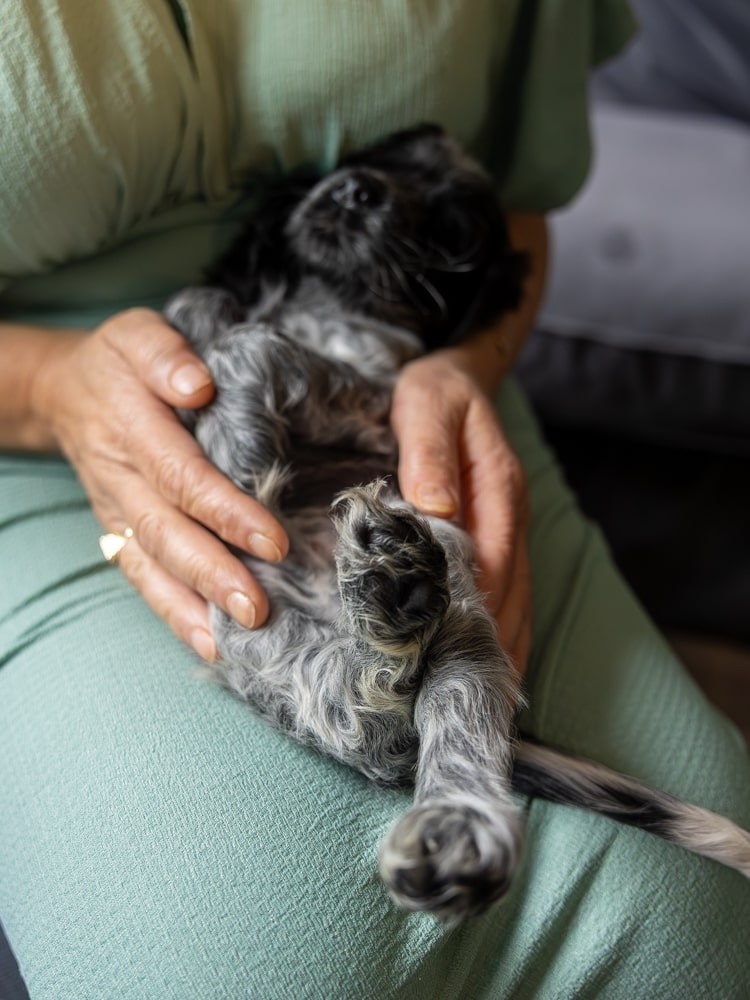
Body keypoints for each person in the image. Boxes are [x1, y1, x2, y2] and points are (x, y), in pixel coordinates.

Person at [1, 3, 748, 998]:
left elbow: (513, 218)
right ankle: (391, 666)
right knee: (248, 957)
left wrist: (464, 370)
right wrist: (52, 389)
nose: (360, 190)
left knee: (687, 921)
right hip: (41, 442)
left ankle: (456, 773)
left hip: (420, 397)